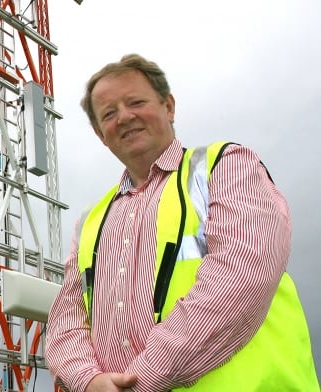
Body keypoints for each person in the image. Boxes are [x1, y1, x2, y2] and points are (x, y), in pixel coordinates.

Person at [44, 53, 318, 392]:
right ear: (101, 134)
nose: (125, 117)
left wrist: (141, 379)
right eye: (109, 114)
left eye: (136, 102)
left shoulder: (223, 167)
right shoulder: (90, 223)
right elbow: (64, 324)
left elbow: (243, 275)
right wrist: (87, 380)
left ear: (168, 107)